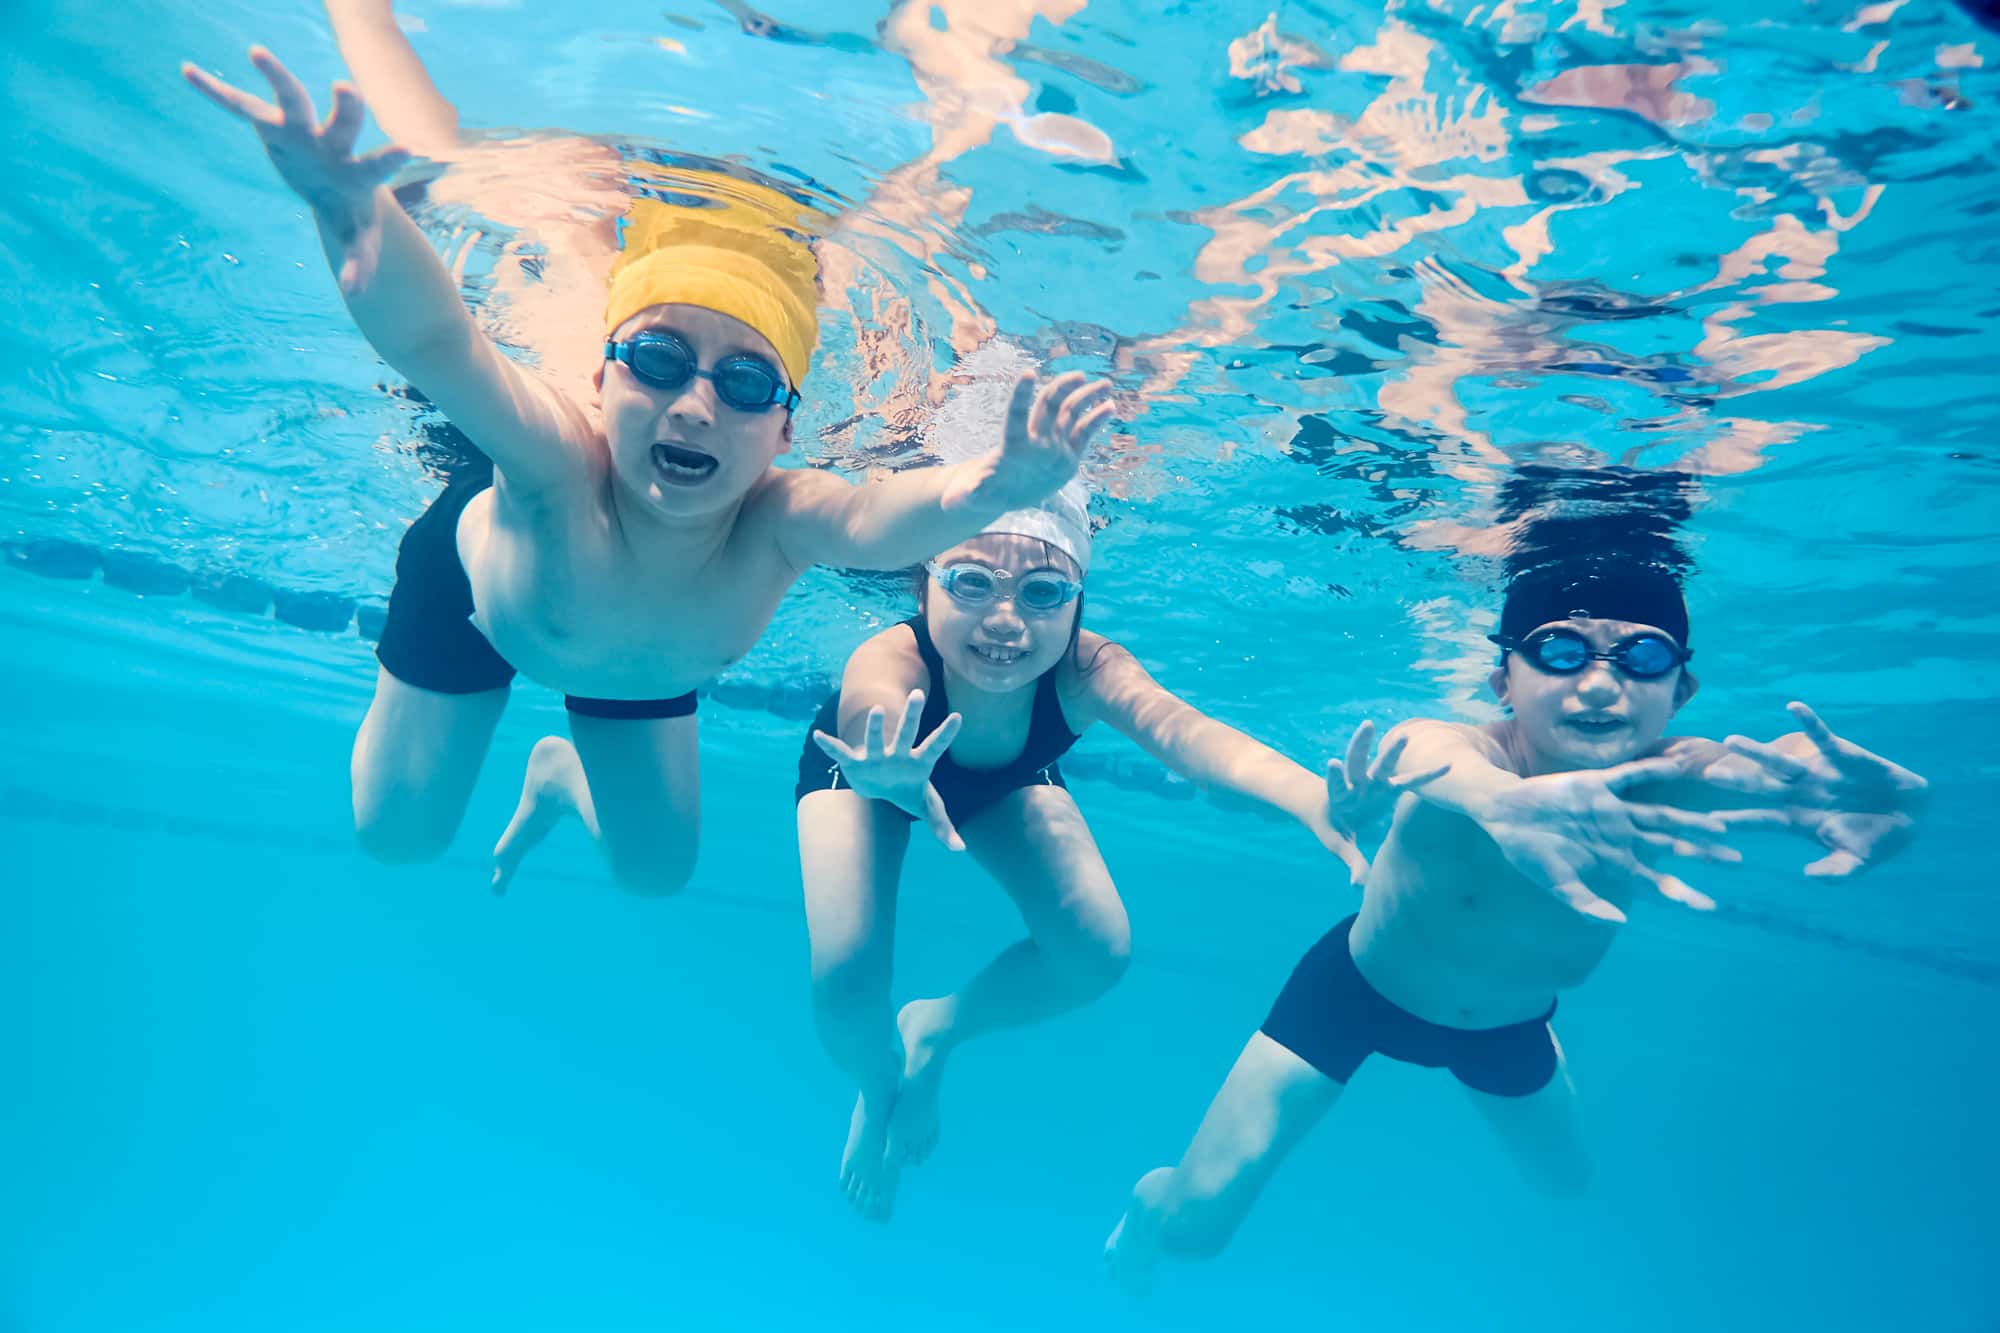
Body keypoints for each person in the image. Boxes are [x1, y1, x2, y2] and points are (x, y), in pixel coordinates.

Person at [180, 38, 1115, 895]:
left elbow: (878, 520)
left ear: (786, 430)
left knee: (658, 873)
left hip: (633, 667)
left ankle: (559, 771)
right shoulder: (552, 460)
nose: (697, 404)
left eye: (749, 384)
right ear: (599, 377)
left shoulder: (780, 519)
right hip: (474, 597)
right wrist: (353, 214)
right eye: (659, 362)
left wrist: (993, 490)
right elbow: (437, 341)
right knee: (400, 837)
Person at [1104, 557, 1929, 1288]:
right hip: (1353, 992)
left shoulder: (1673, 773)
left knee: (1564, 1184)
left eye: (1641, 656)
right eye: (1561, 651)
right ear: (1504, 678)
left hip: (1509, 1026)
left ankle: (1539, 1049)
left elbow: (1775, 772)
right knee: (1192, 1231)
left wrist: (1872, 803)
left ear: (1681, 689)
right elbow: (1423, 749)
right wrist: (1507, 806)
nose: (1601, 684)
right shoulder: (1471, 751)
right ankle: (1146, 1208)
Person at [794, 358, 1431, 1219]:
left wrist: (1305, 798)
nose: (1007, 620)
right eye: (972, 582)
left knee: (1094, 951)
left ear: (1078, 602)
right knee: (843, 988)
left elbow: (1190, 735)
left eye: (1043, 591)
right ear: (923, 581)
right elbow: (871, 695)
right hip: (869, 768)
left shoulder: (1090, 670)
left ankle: (938, 1027)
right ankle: (880, 1089)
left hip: (996, 779)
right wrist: (886, 763)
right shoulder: (893, 657)